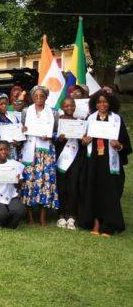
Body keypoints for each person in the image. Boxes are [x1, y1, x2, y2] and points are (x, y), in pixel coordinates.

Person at [78, 90, 130, 236]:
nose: (102, 104)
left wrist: (118, 145)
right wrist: (84, 141)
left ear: (110, 103)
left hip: (109, 162)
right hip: (93, 161)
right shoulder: (90, 119)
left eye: (105, 101)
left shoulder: (117, 120)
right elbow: (81, 141)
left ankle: (108, 224)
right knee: (92, 190)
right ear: (95, 103)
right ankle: (95, 223)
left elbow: (125, 144)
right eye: (99, 102)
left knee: (110, 192)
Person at [20, 86, 60, 227]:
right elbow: (21, 130)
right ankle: (30, 216)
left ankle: (43, 216)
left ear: (46, 97)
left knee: (45, 182)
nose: (38, 98)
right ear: (31, 97)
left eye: (41, 96)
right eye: (35, 96)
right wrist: (22, 131)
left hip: (46, 153)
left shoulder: (54, 113)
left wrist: (50, 137)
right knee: (28, 181)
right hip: (30, 150)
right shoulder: (26, 111)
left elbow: (57, 132)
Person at [54, 97, 84, 230]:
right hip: (61, 158)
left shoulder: (80, 122)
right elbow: (52, 139)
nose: (69, 108)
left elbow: (83, 143)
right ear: (62, 107)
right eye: (66, 106)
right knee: (61, 186)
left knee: (73, 186)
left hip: (75, 158)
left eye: (72, 105)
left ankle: (71, 215)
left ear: (75, 107)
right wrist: (59, 139)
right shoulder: (58, 122)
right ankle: (61, 215)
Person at [0, 141, 26, 229]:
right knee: (1, 215)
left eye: (5, 149)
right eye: (1, 150)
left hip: (11, 196)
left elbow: (19, 186)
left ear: (9, 151)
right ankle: (2, 219)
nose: (3, 152)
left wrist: (18, 181)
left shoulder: (14, 164)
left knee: (20, 210)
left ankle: (11, 224)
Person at [0, 94, 22, 160]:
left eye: (6, 104)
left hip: (11, 149)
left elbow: (19, 133)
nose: (4, 106)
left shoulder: (13, 117)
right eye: (1, 104)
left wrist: (18, 141)